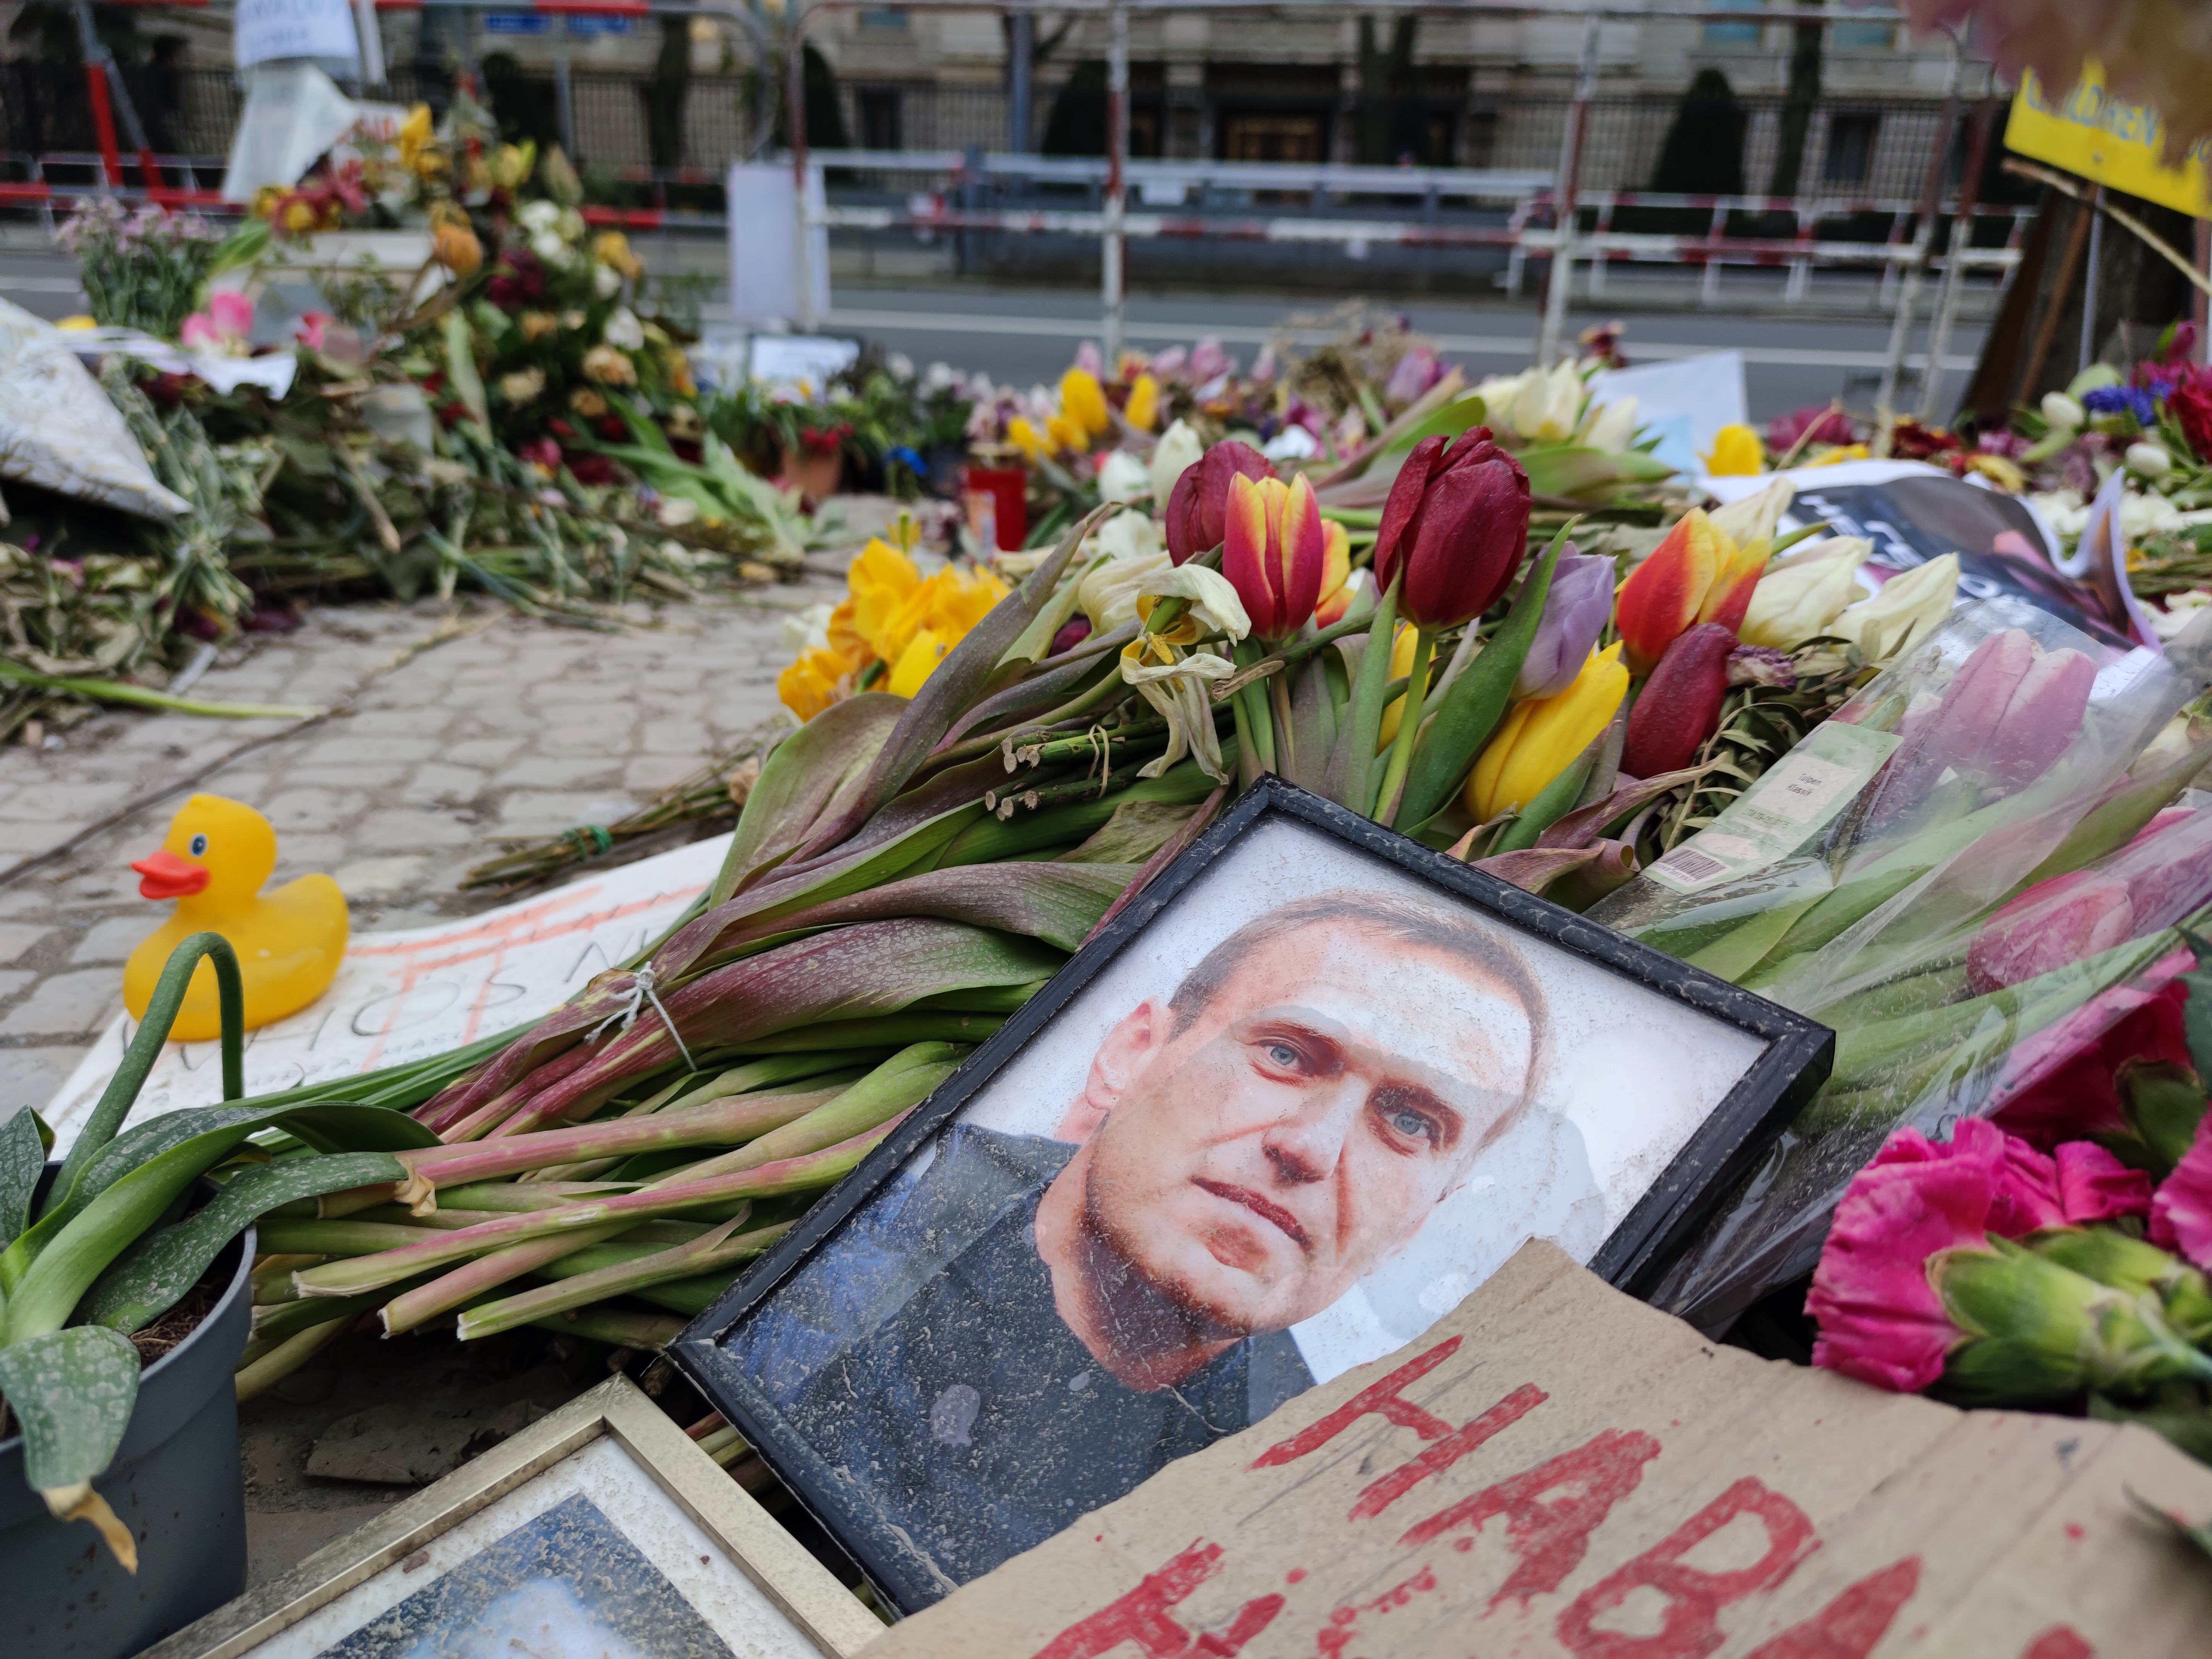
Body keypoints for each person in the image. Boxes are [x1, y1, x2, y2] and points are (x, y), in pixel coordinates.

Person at [727, 889, 1551, 1586]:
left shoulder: (1292, 1516)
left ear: (1423, 1222)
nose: (1311, 1149)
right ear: (1131, 1052)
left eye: (1410, 1122)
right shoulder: (814, 1223)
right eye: (1287, 1054)